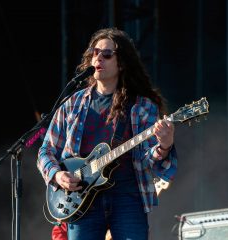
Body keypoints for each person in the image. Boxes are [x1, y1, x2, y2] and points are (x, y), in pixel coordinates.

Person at [38, 27, 177, 240]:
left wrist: (164, 146)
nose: (98, 58)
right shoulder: (73, 104)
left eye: (107, 54)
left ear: (121, 63)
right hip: (80, 200)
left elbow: (151, 160)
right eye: (95, 52)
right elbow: (46, 150)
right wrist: (57, 175)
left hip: (127, 199)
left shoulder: (142, 107)